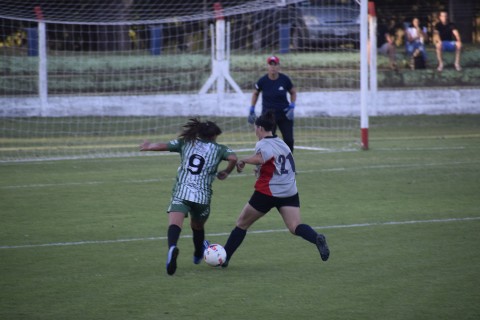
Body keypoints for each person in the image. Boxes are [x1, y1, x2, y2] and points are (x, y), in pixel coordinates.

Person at [222, 111, 330, 268]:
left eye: (255, 128)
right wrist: (259, 170)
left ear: (259, 128)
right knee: (294, 226)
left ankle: (224, 258)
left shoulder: (263, 144)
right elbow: (273, 162)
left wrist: (244, 160)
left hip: (268, 192)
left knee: (241, 223)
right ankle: (316, 238)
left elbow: (261, 157)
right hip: (290, 191)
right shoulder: (282, 143)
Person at [140, 118, 237, 275]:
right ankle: (198, 253)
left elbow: (163, 146)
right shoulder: (219, 149)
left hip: (182, 192)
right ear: (213, 136)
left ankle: (172, 247)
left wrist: (148, 146)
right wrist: (226, 171)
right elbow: (233, 158)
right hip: (202, 197)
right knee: (197, 226)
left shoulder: (186, 142)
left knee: (175, 222)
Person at [248, 55, 297, 152]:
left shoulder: (285, 79)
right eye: (271, 64)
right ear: (268, 66)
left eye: (275, 64)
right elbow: (255, 93)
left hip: (284, 115)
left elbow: (293, 92)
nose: (273, 67)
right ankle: (264, 163)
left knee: (289, 140)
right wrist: (252, 109)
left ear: (279, 66)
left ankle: (289, 162)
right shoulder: (263, 81)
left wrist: (292, 106)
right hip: (268, 117)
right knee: (267, 141)